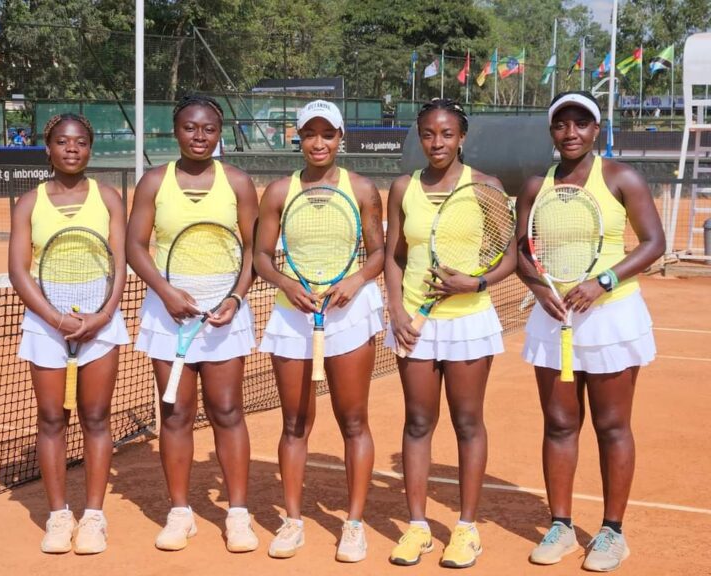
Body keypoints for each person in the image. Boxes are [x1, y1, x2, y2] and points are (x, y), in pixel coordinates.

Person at [515, 91, 665, 572]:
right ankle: (560, 526)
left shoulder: (621, 177)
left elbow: (654, 242)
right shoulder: (536, 185)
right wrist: (538, 288)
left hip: (611, 316)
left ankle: (612, 532)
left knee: (612, 425)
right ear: (552, 131)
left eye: (581, 123)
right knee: (559, 424)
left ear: (596, 129)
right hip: (553, 318)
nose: (571, 132)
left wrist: (603, 282)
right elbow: (523, 251)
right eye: (562, 124)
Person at [384, 98, 516, 569]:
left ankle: (466, 529)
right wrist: (395, 309)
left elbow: (510, 256)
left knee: (467, 422)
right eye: (427, 133)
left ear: (461, 137)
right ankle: (418, 527)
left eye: (446, 134)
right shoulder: (403, 188)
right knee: (418, 422)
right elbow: (394, 255)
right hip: (414, 323)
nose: (436, 142)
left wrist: (475, 283)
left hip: (468, 321)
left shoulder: (486, 187)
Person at [126, 94, 259, 553]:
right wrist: (166, 293)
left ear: (219, 134)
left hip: (225, 311)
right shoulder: (154, 182)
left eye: (208, 129)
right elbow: (135, 246)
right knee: (176, 414)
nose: (199, 136)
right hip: (169, 312)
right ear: (174, 130)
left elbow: (253, 250)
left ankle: (237, 514)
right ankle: (180, 512)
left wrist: (236, 298)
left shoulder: (238, 182)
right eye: (190, 127)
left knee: (227, 410)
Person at [253, 100, 385, 562]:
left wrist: (357, 280)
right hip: (293, 315)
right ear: (299, 138)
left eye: (327, 133)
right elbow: (261, 256)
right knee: (294, 423)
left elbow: (378, 252)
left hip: (349, 313)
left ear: (340, 137)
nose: (318, 142)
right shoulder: (278, 192)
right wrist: (286, 283)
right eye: (309, 133)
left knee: (354, 421)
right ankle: (292, 521)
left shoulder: (363, 189)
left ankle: (354, 524)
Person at [8, 113, 129, 554]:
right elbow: (18, 271)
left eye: (80, 141)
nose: (72, 148)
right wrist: (55, 319)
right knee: (51, 418)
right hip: (46, 323)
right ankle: (59, 516)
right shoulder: (29, 203)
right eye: (62, 141)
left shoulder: (109, 198)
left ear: (90, 148)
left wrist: (103, 314)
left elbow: (120, 262)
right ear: (48, 148)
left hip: (100, 321)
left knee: (95, 416)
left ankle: (93, 516)